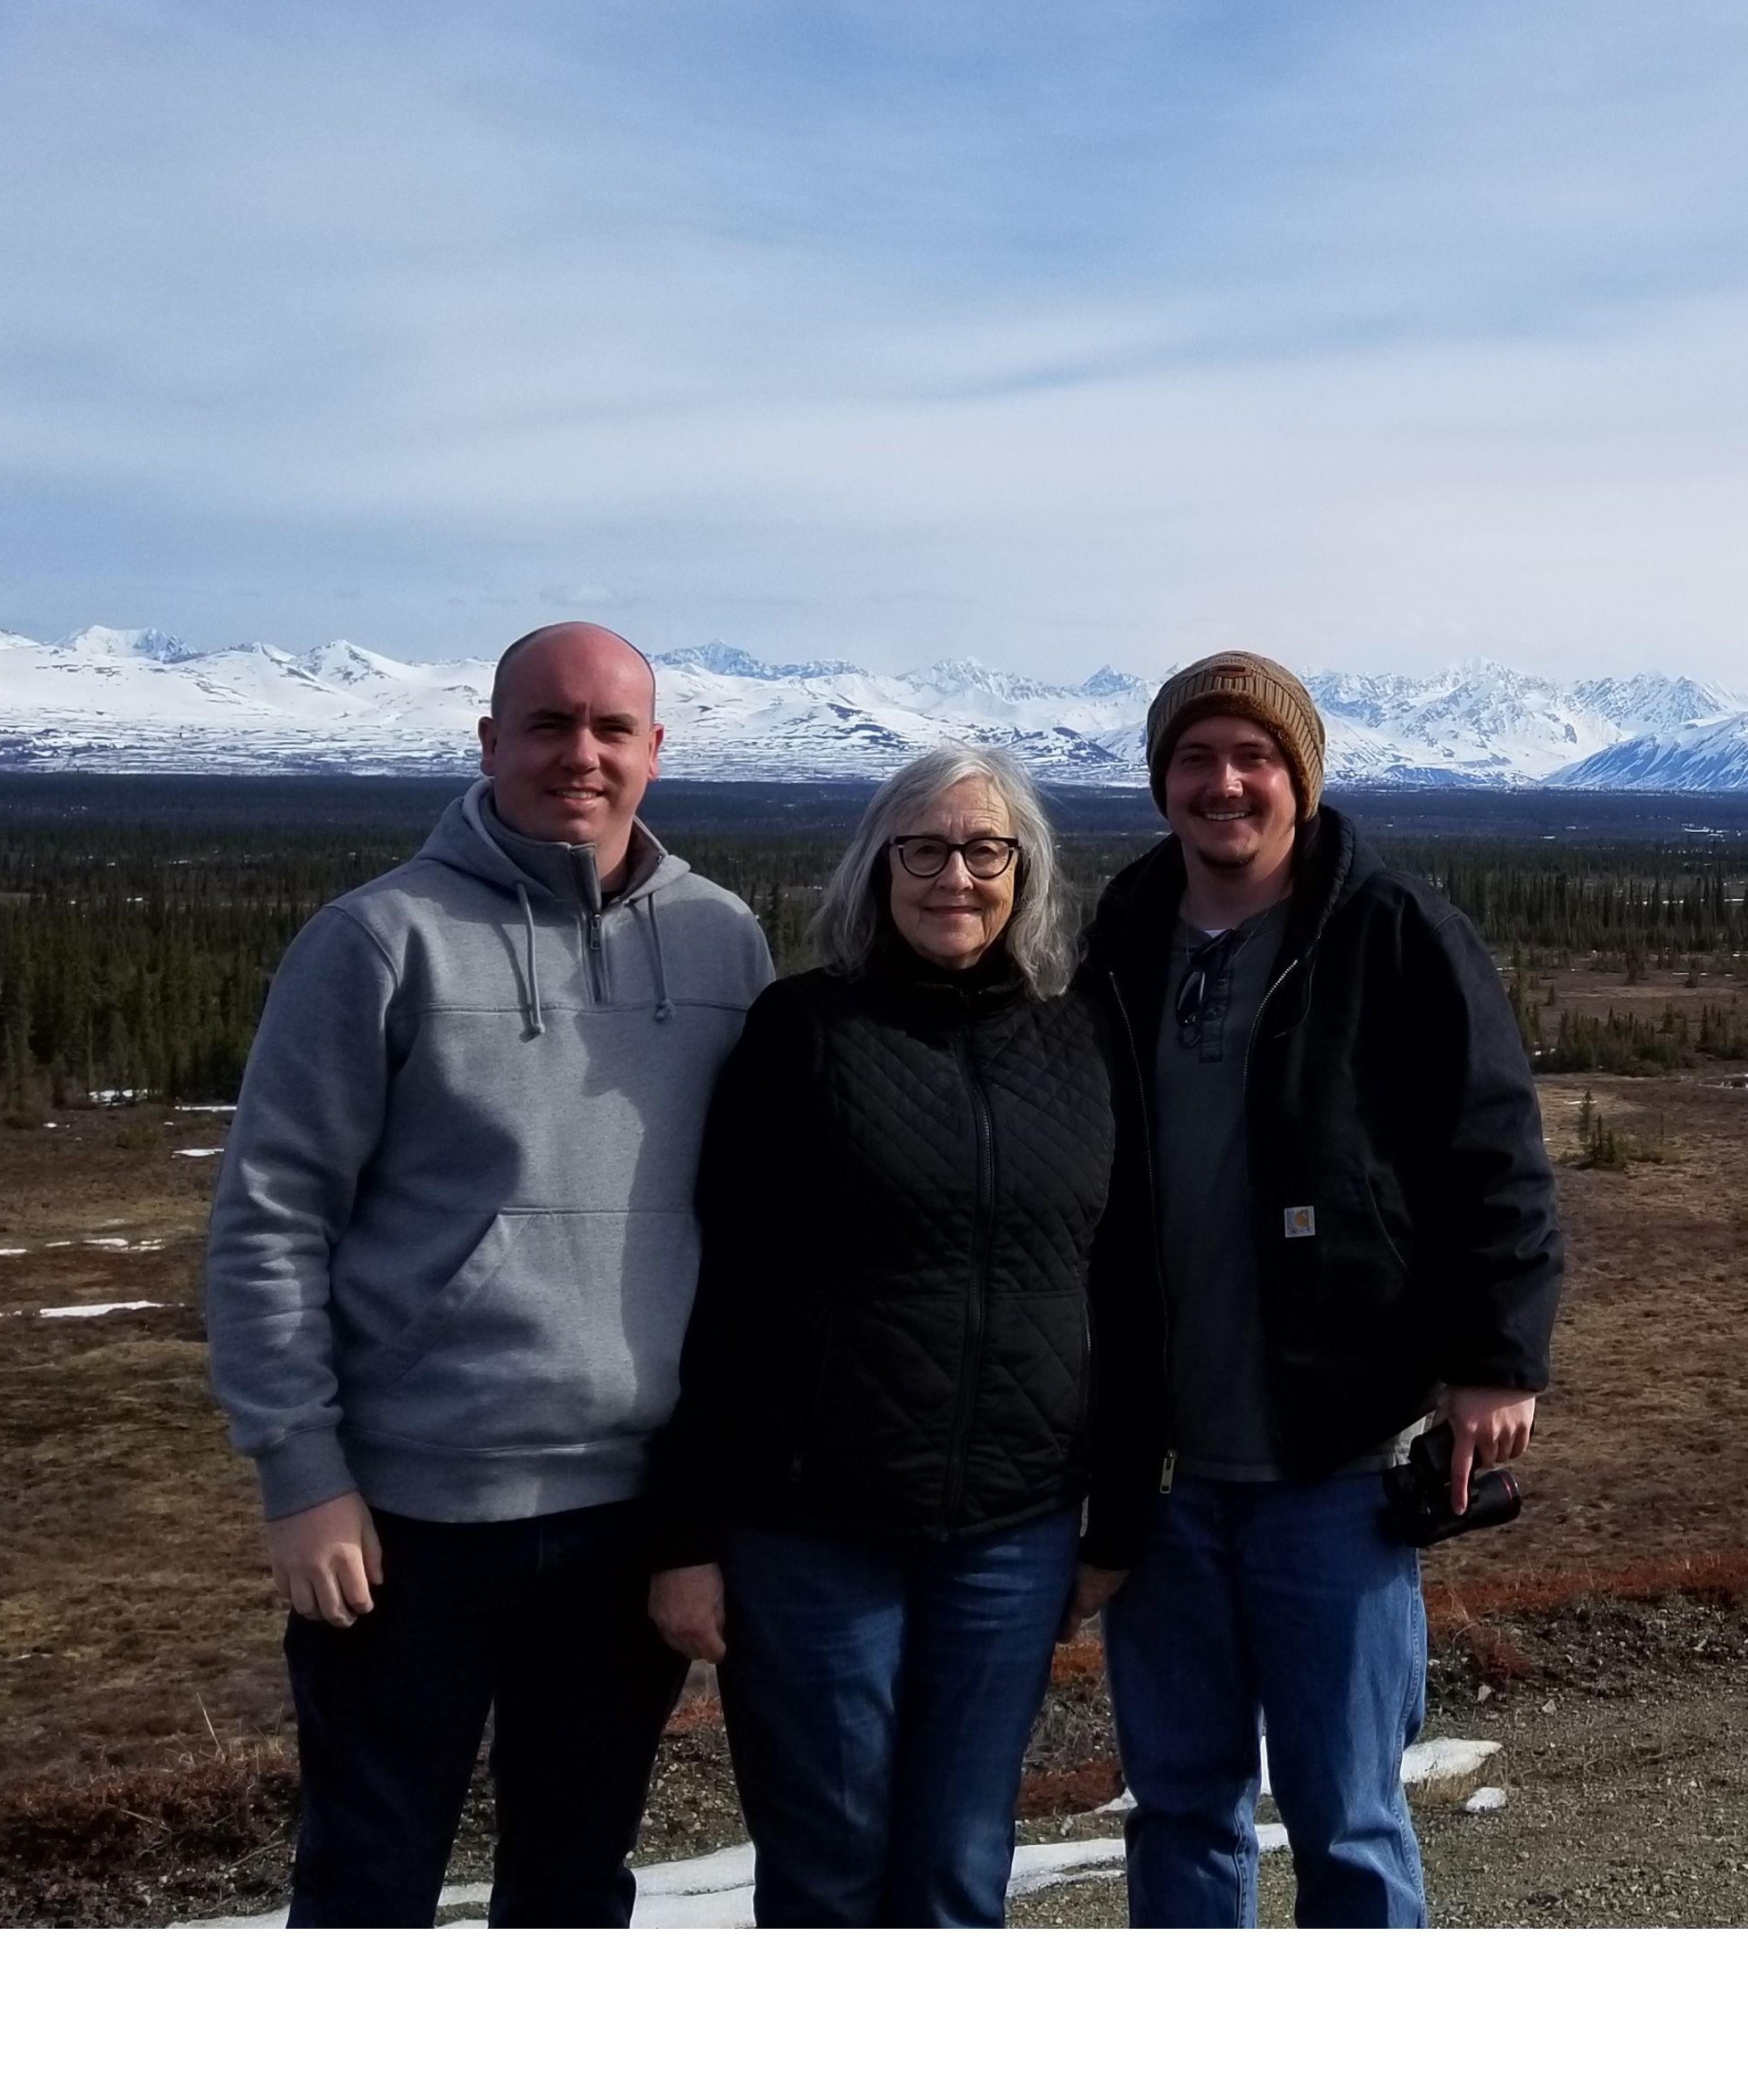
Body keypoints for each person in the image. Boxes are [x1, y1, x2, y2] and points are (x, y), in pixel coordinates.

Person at [202, 624, 774, 1927]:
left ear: (656, 752)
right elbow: (270, 1218)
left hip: (627, 1523)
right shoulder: (378, 941)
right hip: (408, 1522)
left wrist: (712, 1508)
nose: (580, 754)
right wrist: (302, 1475)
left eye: (611, 729)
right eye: (548, 724)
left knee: (574, 1882)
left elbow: (748, 1236)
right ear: (491, 740)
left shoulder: (723, 944)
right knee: (367, 1878)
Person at [1073, 649, 1564, 1927]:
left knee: (1347, 1813)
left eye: (1255, 757)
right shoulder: (1120, 935)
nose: (1224, 783)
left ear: (1301, 778)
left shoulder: (1391, 929)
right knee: (1178, 1804)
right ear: (1159, 780)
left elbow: (1494, 1149)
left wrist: (1499, 1357)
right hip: (1163, 1473)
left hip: (1335, 1463)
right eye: (1195, 757)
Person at [641, 746, 1117, 1927]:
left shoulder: (1077, 1045)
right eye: (924, 848)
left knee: (960, 1870)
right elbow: (721, 1286)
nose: (954, 875)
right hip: (814, 1535)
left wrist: (1120, 1506)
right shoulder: (800, 1033)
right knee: (828, 1871)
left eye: (984, 849)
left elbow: (1119, 1286)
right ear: (878, 867)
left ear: (1024, 873)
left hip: (1011, 1533)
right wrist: (685, 1531)